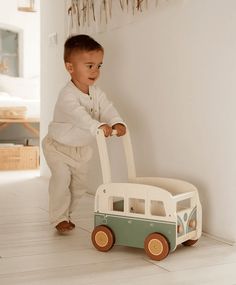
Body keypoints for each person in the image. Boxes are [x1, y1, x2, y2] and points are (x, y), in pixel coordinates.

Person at [42, 34, 126, 233]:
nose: (95, 71)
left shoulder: (96, 93)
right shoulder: (67, 96)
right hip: (58, 147)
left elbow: (108, 108)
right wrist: (98, 126)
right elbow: (80, 116)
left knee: (79, 187)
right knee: (62, 179)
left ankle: (66, 214)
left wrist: (117, 121)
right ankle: (58, 217)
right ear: (70, 67)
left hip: (81, 150)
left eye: (99, 65)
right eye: (89, 65)